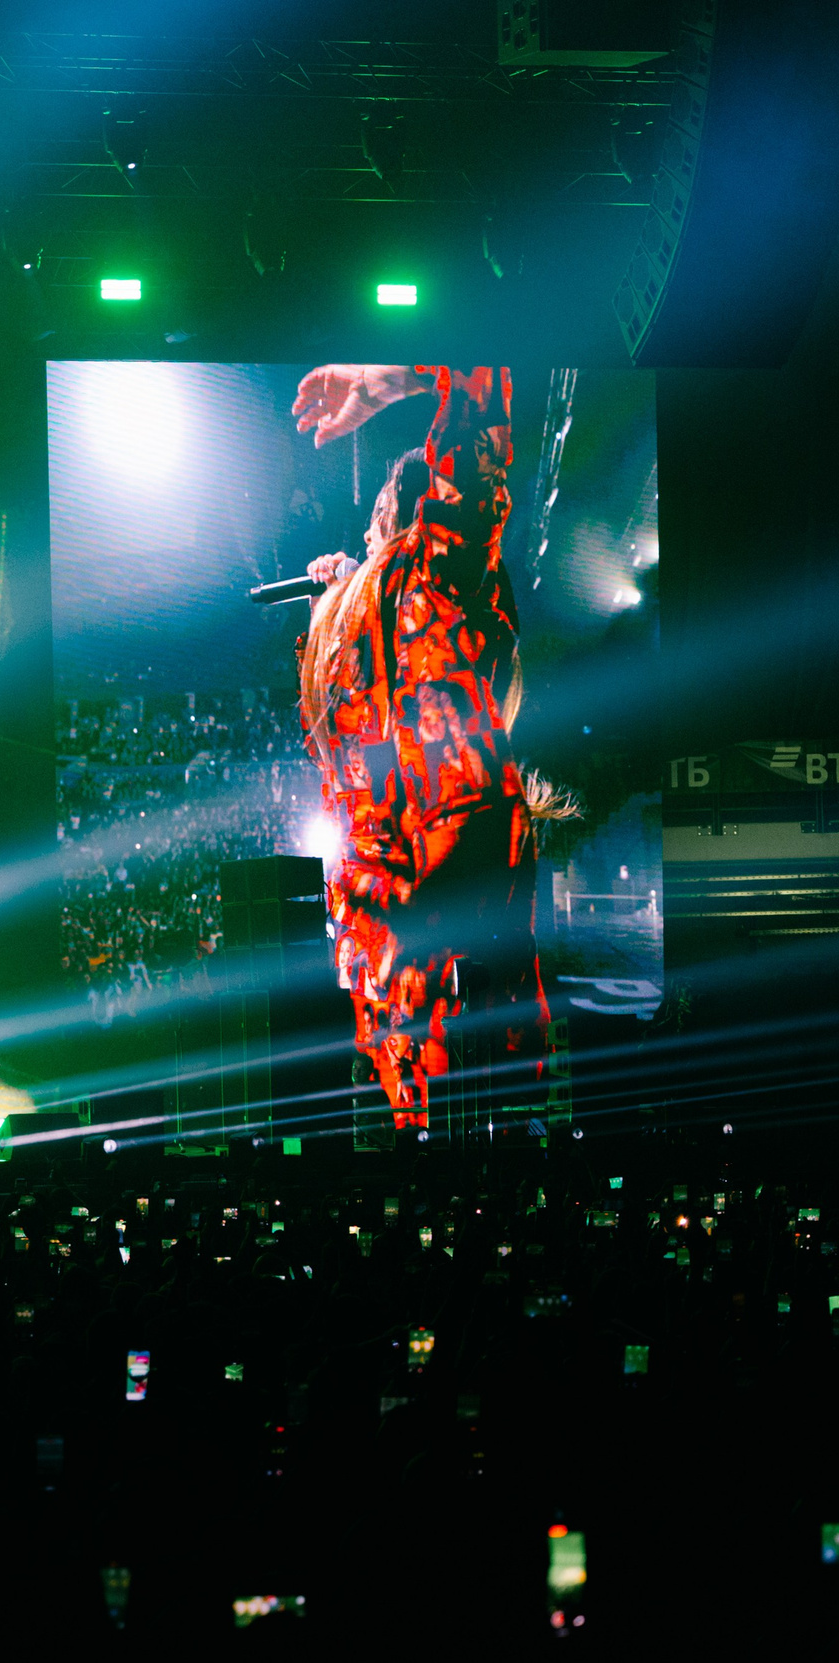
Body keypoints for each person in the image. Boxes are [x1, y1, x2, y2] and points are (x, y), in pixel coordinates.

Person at [290, 364, 570, 1133]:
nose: (365, 536)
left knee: (450, 1128)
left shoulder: (423, 580)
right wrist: (339, 599)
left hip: (424, 958)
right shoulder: (392, 605)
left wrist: (383, 385)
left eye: (374, 524)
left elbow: (476, 390)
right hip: (420, 954)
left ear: (397, 518)